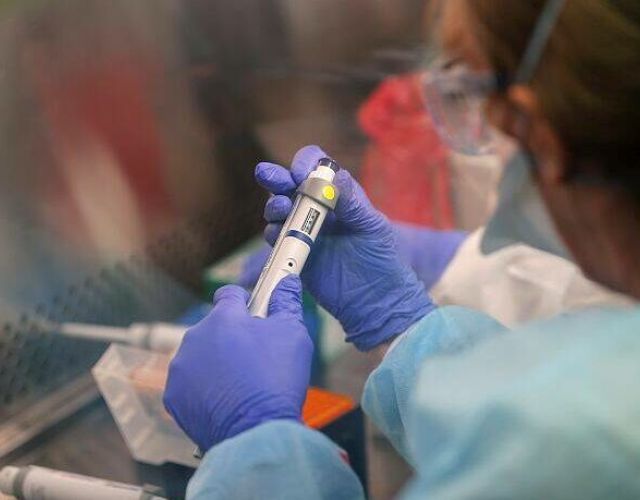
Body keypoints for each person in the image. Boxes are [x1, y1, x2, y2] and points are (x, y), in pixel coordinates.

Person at [164, 0, 640, 497]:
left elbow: (552, 451)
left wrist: (257, 454)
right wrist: (404, 324)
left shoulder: (588, 436)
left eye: (475, 103)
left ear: (537, 132)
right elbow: (530, 447)